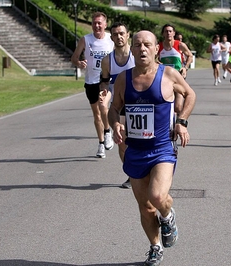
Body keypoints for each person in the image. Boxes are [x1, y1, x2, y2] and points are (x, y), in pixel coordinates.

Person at [108, 30, 196, 266]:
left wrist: (182, 122)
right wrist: (115, 123)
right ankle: (155, 247)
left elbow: (190, 94)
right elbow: (114, 108)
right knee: (145, 208)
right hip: (135, 150)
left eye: (147, 44)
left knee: (157, 196)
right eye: (137, 45)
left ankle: (168, 215)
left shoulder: (168, 74)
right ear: (132, 49)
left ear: (156, 48)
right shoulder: (124, 79)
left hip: (162, 149)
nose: (142, 49)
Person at [71, 12, 114, 158]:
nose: (97, 26)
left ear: (105, 25)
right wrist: (79, 62)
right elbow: (74, 58)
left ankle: (107, 132)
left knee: (104, 107)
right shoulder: (86, 40)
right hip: (91, 81)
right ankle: (101, 143)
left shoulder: (111, 39)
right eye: (94, 23)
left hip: (105, 80)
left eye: (99, 23)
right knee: (97, 114)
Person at [99, 22, 135, 189]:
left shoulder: (137, 55)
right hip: (119, 106)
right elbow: (105, 82)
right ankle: (131, 174)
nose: (119, 37)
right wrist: (104, 92)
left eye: (122, 33)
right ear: (111, 37)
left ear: (128, 35)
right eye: (115, 34)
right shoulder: (107, 60)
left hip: (139, 104)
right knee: (122, 142)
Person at [158, 24, 193, 116]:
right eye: (166, 31)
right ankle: (170, 125)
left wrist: (185, 67)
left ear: (173, 33)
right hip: (164, 78)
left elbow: (190, 55)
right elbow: (153, 59)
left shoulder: (180, 45)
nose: (168, 33)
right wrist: (157, 63)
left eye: (170, 31)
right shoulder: (159, 46)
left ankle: (178, 124)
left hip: (178, 77)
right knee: (165, 104)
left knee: (178, 107)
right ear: (163, 34)